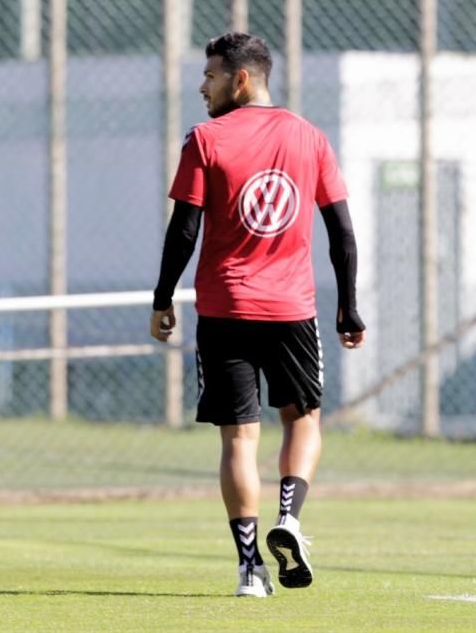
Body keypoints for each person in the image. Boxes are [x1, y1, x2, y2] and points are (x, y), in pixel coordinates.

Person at [149, 32, 365, 598]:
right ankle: (289, 517)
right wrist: (349, 305)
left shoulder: (204, 139)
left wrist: (163, 297)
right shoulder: (309, 137)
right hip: (292, 309)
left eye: (212, 75)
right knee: (302, 420)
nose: (203, 85)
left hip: (224, 308)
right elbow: (341, 231)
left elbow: (185, 229)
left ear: (240, 79)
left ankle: (250, 568)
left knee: (238, 439)